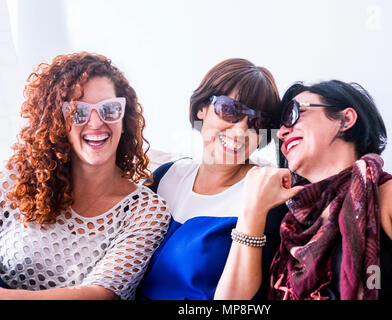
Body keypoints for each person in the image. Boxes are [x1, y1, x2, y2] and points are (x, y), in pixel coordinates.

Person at [215, 80, 392, 300]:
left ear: (345, 119)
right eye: (279, 127)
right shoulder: (289, 220)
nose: (282, 132)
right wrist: (252, 210)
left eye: (293, 114)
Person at [0, 52, 170, 300]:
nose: (95, 122)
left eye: (109, 109)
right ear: (57, 122)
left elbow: (98, 296)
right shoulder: (18, 176)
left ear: (125, 117)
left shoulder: (145, 210)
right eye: (78, 112)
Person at [136, 58, 290, 300]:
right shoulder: (165, 176)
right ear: (202, 108)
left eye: (258, 122)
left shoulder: (265, 194)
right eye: (230, 110)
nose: (241, 130)